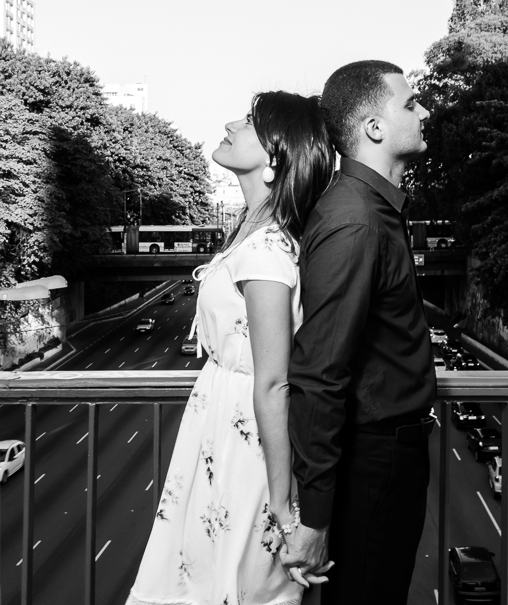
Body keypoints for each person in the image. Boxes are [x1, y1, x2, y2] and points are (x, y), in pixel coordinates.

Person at [126, 91, 335, 605]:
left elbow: (271, 381)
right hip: (223, 428)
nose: (229, 123)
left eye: (249, 121)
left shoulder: (266, 250)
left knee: (234, 585)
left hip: (247, 444)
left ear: (275, 159)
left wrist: (286, 510)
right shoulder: (251, 231)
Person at [282, 61, 436, 604]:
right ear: (373, 127)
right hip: (375, 461)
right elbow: (319, 372)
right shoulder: (357, 221)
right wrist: (316, 515)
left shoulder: (372, 211)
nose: (424, 112)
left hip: (387, 454)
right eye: (411, 103)